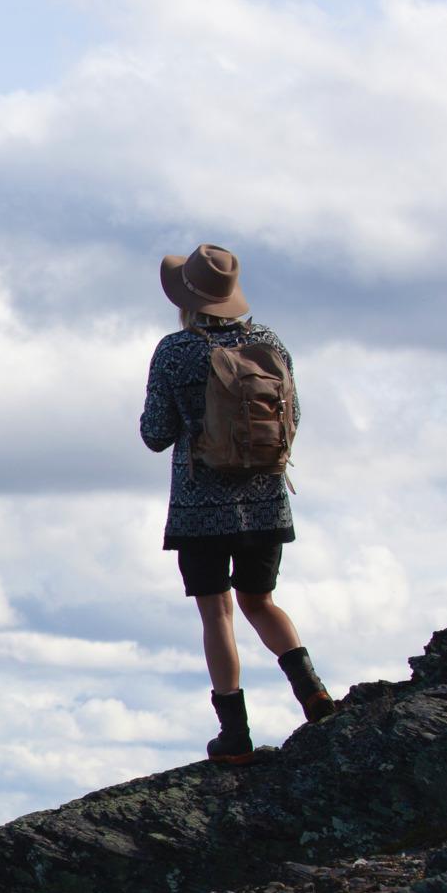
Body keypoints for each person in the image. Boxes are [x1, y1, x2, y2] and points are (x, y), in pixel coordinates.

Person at [139, 243, 337, 764]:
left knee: (217, 613)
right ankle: (312, 691)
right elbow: (294, 413)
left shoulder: (175, 350)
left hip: (199, 507)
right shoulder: (268, 341)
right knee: (260, 601)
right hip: (267, 501)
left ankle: (235, 736)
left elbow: (156, 434)